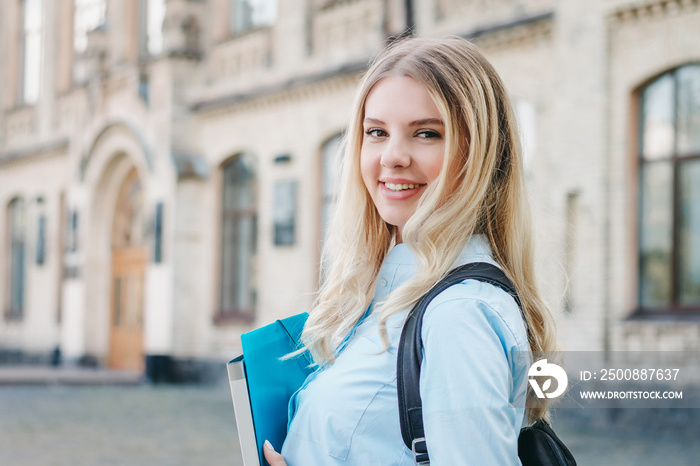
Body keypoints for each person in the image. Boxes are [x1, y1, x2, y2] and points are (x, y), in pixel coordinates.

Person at [264, 36, 559, 465]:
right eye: (377, 132)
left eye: (427, 133)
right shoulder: (391, 292)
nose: (392, 156)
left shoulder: (459, 314)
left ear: (480, 153)